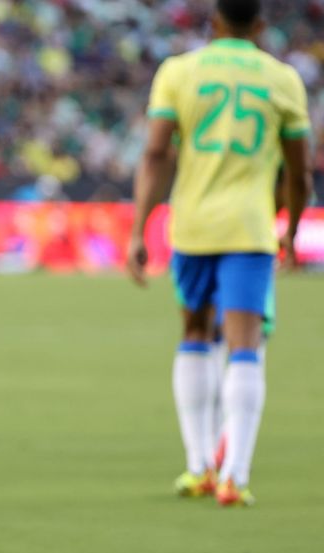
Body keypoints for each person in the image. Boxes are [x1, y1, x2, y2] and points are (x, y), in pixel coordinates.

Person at [128, 0, 312, 507]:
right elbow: (300, 174)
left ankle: (198, 466)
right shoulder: (283, 79)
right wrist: (292, 231)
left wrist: (140, 227)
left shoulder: (179, 71)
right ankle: (235, 475)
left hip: (192, 226)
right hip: (250, 229)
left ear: (212, 23)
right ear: (259, 26)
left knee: (193, 333)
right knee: (245, 345)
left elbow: (156, 152)